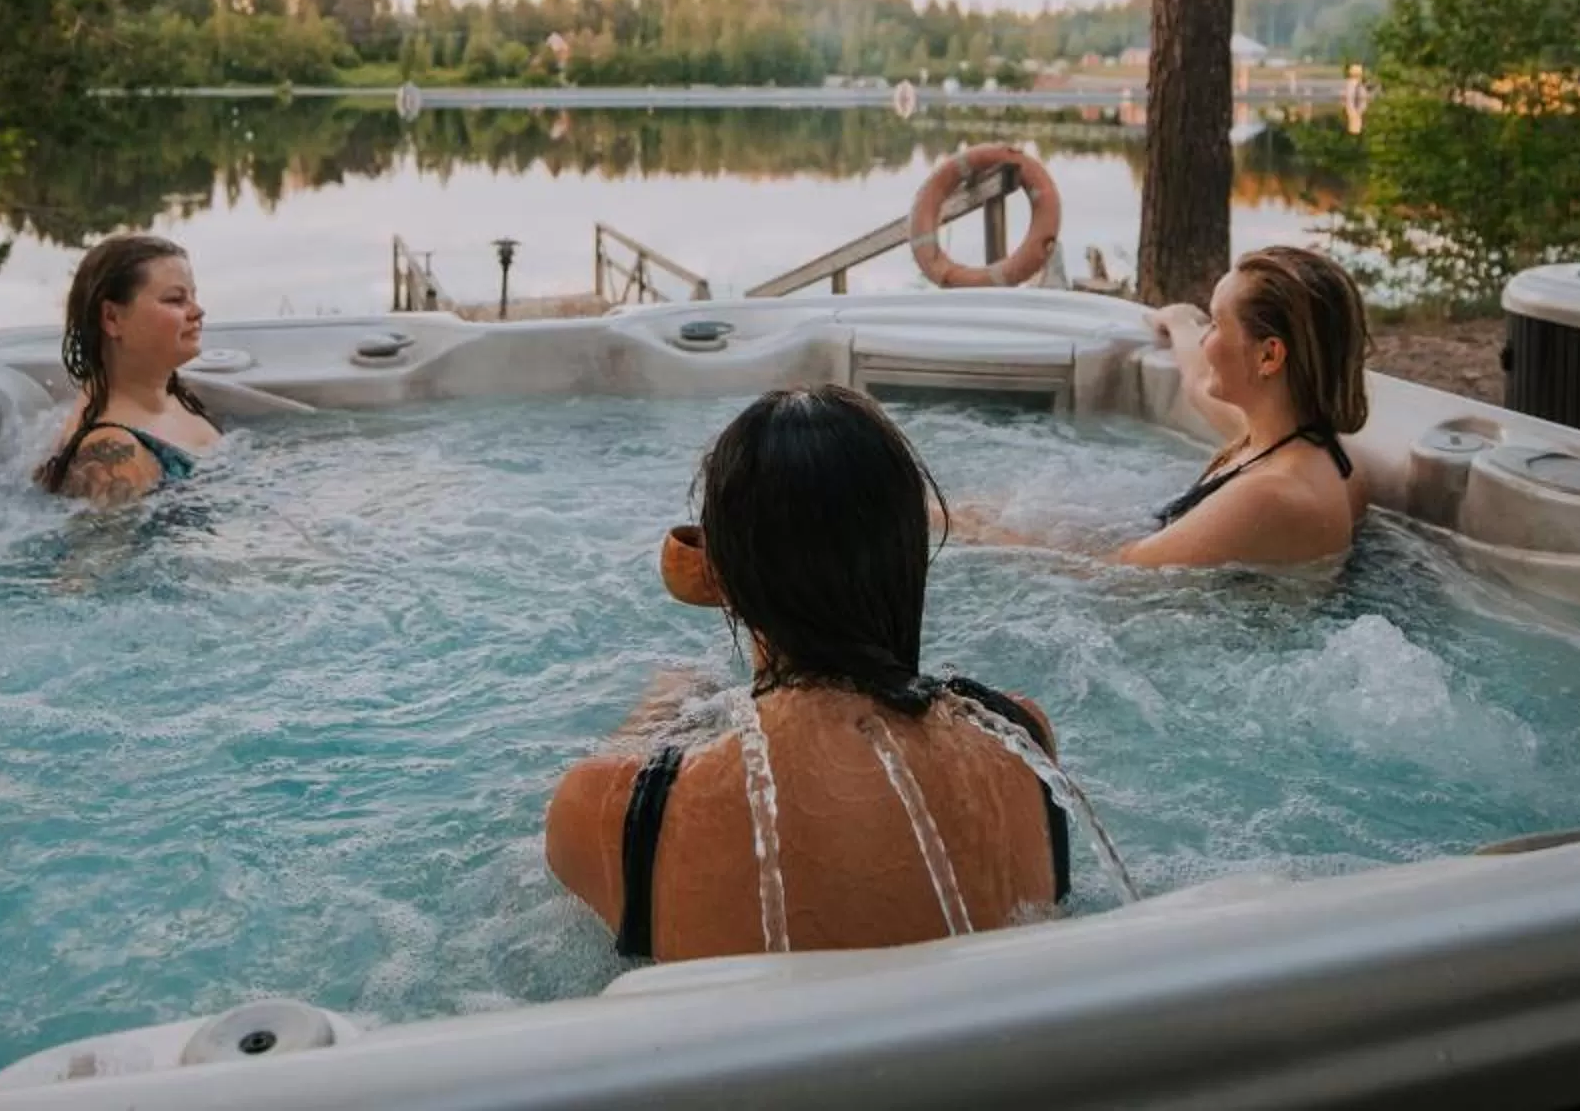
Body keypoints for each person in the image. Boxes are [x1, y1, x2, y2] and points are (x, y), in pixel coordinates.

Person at [543, 386, 1071, 962]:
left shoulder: (609, 811)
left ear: (721, 579)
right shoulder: (1022, 744)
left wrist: (661, 712)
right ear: (908, 558)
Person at [1115, 245, 1374, 569]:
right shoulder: (1318, 451)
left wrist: (1031, 543)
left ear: (1268, 356)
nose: (1203, 340)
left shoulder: (1269, 496)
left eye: (1215, 324)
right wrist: (1179, 320)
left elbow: (1121, 569)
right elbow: (1198, 385)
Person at [34, 233, 220, 503]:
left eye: (193, 296)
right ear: (112, 318)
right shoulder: (115, 454)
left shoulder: (175, 396)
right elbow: (106, 546)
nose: (198, 311)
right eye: (175, 300)